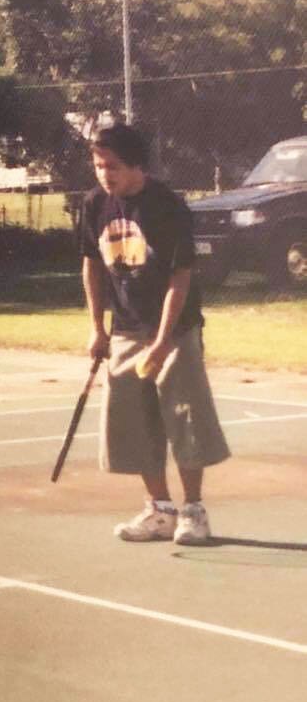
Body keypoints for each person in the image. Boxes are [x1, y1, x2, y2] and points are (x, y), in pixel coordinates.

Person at [79, 123, 230, 544]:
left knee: (185, 421)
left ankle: (193, 511)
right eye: (97, 165)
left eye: (111, 166)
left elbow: (179, 279)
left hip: (175, 330)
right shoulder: (94, 205)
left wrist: (163, 342)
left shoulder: (167, 206)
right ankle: (160, 509)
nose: (103, 173)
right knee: (136, 423)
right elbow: (92, 264)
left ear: (136, 165)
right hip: (125, 330)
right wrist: (96, 327)